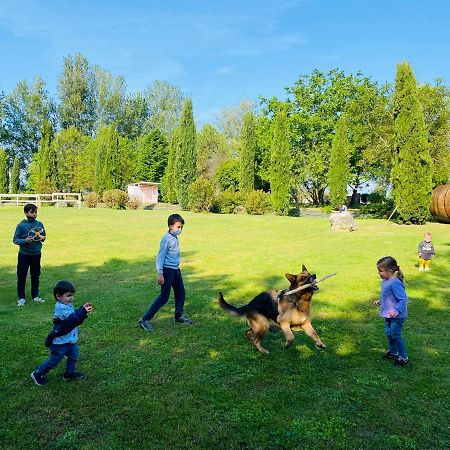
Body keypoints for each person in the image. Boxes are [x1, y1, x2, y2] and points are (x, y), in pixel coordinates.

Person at [31, 280, 93, 386]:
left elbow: (74, 317)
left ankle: (69, 373)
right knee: (54, 361)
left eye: (72, 295)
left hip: (69, 340)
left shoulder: (67, 305)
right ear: (58, 296)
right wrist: (82, 311)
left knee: (74, 355)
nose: (71, 298)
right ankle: (38, 373)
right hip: (60, 343)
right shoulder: (60, 308)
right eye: (69, 296)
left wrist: (82, 310)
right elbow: (72, 320)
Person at [139, 214, 192, 331]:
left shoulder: (174, 237)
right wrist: (160, 273)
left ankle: (178, 316)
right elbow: (160, 257)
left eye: (181, 227)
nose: (180, 230)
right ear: (170, 226)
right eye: (178, 227)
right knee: (164, 297)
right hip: (167, 271)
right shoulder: (166, 239)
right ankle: (145, 319)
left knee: (181, 293)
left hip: (175, 270)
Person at [373, 256, 409, 367]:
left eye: (380, 271)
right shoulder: (385, 281)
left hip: (397, 316)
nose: (379, 273)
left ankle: (403, 357)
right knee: (389, 334)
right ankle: (394, 352)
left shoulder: (395, 283)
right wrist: (381, 301)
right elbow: (389, 295)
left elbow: (403, 299)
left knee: (395, 334)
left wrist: (397, 310)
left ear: (389, 271)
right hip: (388, 314)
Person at [13, 203, 46, 307]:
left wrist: (42, 238)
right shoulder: (21, 225)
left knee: (35, 275)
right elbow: (15, 239)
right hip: (24, 255)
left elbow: (44, 237)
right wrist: (25, 240)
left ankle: (35, 296)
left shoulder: (40, 224)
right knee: (22, 275)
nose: (34, 214)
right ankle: (21, 298)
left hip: (36, 254)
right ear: (26, 213)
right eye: (32, 212)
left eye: (36, 212)